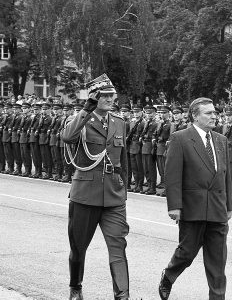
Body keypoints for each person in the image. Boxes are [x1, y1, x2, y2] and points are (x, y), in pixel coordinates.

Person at [61, 74, 130, 300]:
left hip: (113, 195)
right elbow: (67, 137)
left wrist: (123, 189)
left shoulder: (119, 122)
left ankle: (122, 295)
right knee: (79, 247)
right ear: (94, 97)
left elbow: (123, 161)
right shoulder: (80, 120)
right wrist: (86, 109)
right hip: (85, 194)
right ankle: (76, 288)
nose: (111, 99)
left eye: (112, 95)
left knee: (118, 247)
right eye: (105, 95)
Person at [158, 97, 232, 300]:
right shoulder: (180, 138)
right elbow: (172, 175)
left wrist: (229, 205)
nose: (214, 116)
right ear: (195, 116)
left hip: (217, 208)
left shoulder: (220, 140)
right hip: (192, 207)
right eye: (208, 113)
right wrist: (174, 206)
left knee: (217, 263)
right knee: (187, 252)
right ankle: (169, 275)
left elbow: (225, 174)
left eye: (215, 112)